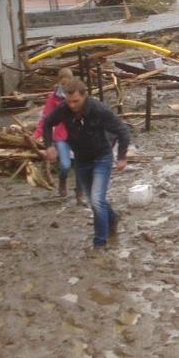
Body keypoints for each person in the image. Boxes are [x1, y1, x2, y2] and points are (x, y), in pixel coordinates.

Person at [43, 80, 131, 250]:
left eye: (76, 101)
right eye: (69, 102)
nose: (72, 105)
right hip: (81, 159)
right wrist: (49, 145)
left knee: (97, 199)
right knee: (94, 200)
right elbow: (47, 123)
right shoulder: (64, 109)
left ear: (84, 95)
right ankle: (112, 218)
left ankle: (99, 243)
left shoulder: (98, 110)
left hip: (102, 157)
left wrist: (121, 156)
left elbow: (122, 130)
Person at [33, 67, 79, 200]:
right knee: (65, 165)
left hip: (77, 135)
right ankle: (62, 182)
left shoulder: (78, 95)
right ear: (59, 82)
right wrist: (37, 134)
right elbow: (45, 118)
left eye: (67, 84)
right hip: (61, 137)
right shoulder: (54, 98)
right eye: (62, 84)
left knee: (80, 165)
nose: (64, 87)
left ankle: (79, 191)